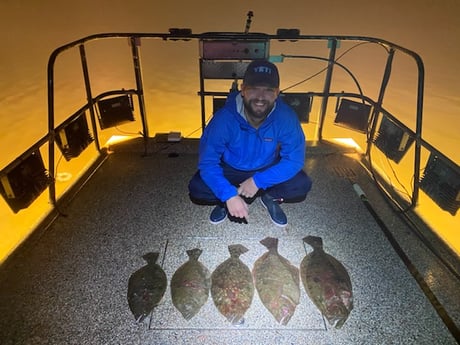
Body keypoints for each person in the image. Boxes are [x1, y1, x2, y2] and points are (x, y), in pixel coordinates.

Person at [188, 59, 312, 227]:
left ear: (277, 93)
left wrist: (258, 181)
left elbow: (294, 160)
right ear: (243, 90)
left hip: (266, 166)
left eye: (268, 90)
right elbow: (208, 162)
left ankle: (269, 197)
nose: (260, 97)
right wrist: (228, 195)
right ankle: (228, 200)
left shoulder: (286, 117)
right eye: (254, 89)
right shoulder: (224, 118)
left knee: (301, 185)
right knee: (197, 189)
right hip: (232, 168)